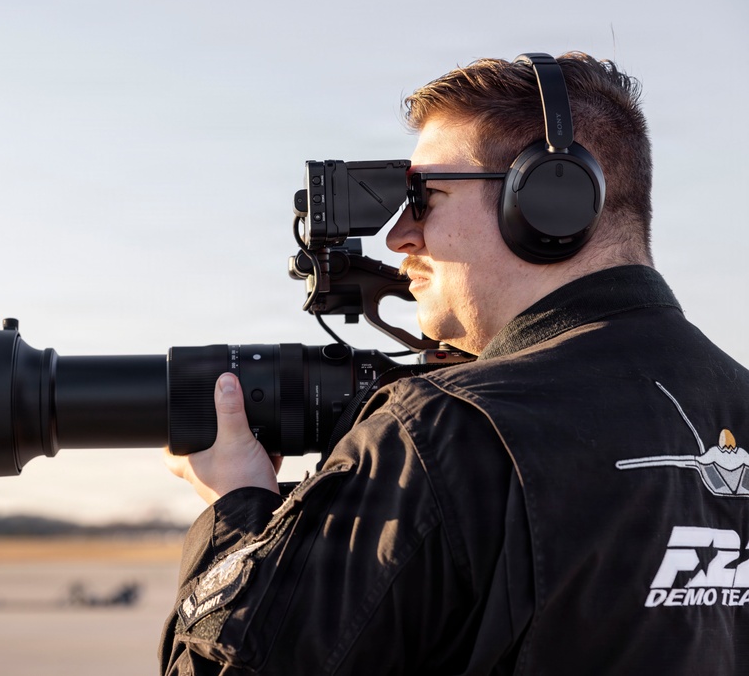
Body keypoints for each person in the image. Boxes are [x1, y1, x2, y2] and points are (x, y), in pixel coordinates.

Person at [159, 52, 749, 675]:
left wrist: (236, 513)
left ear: (552, 201)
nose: (399, 238)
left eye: (426, 196)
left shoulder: (446, 430)